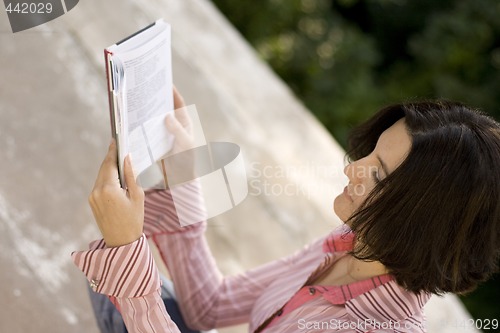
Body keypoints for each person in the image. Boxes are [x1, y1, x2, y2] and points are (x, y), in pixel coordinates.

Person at [72, 90, 500, 333]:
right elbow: (211, 307)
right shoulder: (351, 246)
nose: (352, 168)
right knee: (115, 280)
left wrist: (128, 251)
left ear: (421, 219)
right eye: (368, 153)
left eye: (379, 174)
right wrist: (186, 177)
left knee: (126, 273)